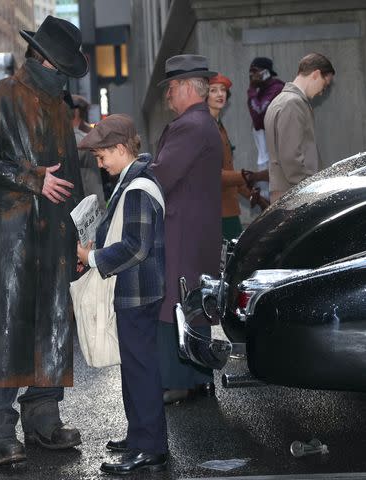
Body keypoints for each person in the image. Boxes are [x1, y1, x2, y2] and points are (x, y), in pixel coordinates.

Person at [0, 15, 87, 466]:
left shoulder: (58, 107)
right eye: (62, 69)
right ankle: (0, 430)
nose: (62, 79)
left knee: (52, 325)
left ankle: (44, 420)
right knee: (5, 330)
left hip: (54, 236)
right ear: (44, 59)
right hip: (8, 241)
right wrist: (34, 179)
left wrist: (80, 240)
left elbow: (71, 178)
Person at [76, 114, 168, 474]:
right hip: (137, 289)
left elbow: (135, 247)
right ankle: (141, 437)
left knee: (141, 370)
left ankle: (149, 447)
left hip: (137, 291)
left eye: (101, 156)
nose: (99, 163)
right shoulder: (136, 181)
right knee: (135, 368)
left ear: (119, 148)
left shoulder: (137, 188)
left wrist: (93, 257)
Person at [152, 54, 223, 405]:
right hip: (197, 230)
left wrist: (135, 172)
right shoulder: (203, 123)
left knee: (174, 304)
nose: (167, 94)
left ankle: (181, 379)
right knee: (193, 303)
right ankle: (196, 377)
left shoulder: (189, 125)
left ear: (183, 88)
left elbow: (162, 176)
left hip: (181, 231)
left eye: (170, 87)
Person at [265, 53, 335, 203]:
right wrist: (312, 189)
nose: (322, 92)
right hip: (295, 195)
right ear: (316, 74)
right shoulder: (292, 103)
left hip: (288, 191)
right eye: (325, 85)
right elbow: (291, 158)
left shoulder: (281, 100)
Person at [208, 74, 261, 240]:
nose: (220, 94)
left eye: (223, 90)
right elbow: (214, 174)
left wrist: (249, 193)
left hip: (228, 208)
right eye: (213, 90)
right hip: (216, 210)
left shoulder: (219, 125)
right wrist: (247, 176)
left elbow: (228, 170)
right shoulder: (206, 127)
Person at [246, 57, 285, 200]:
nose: (252, 75)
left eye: (255, 71)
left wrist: (251, 91)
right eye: (250, 72)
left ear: (266, 72)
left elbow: (259, 114)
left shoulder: (276, 89)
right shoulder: (259, 92)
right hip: (265, 151)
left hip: (276, 150)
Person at [71, 94, 105, 208]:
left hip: (85, 203)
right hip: (95, 200)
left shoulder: (77, 139)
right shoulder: (91, 135)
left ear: (75, 111)